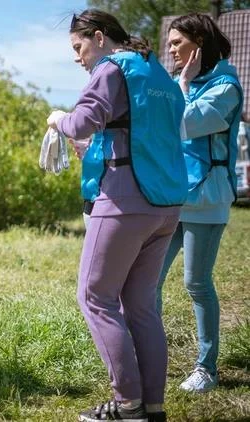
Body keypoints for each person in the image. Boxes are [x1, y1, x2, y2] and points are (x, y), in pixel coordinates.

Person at [47, 9, 187, 422]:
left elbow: (83, 121)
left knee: (95, 297)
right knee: (141, 306)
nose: (78, 57)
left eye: (79, 46)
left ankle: (127, 405)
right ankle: (153, 408)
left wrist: (59, 120)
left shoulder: (111, 69)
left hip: (125, 201)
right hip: (166, 204)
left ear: (101, 37)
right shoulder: (157, 71)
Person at [156, 13, 244, 394]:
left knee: (196, 282)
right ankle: (151, 356)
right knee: (147, 282)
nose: (171, 49)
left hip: (208, 196)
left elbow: (184, 123)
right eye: (170, 42)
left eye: (177, 42)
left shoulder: (226, 87)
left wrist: (183, 84)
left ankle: (207, 369)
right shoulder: (187, 83)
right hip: (174, 194)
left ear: (199, 43)